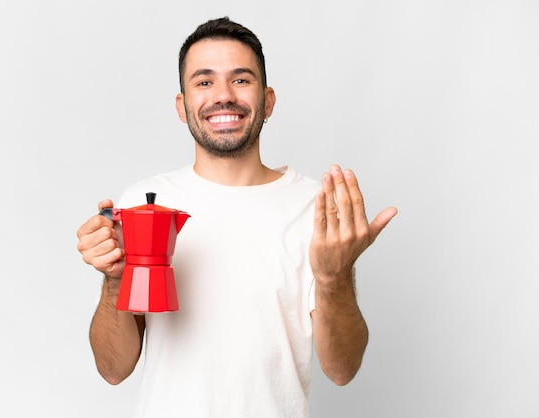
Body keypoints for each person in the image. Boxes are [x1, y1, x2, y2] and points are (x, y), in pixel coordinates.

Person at [76, 17, 397, 418]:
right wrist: (114, 280)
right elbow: (112, 369)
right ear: (182, 106)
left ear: (269, 100)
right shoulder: (140, 203)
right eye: (204, 82)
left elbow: (342, 369)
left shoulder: (314, 206)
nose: (223, 96)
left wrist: (335, 278)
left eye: (241, 80)